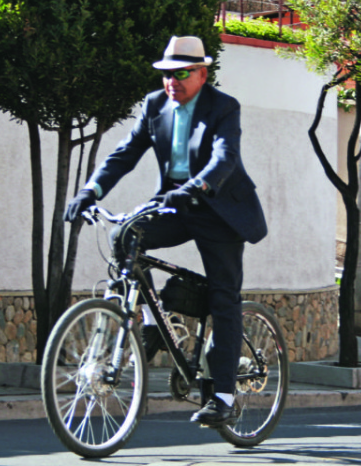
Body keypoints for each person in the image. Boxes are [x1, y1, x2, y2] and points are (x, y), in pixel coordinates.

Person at [64, 35, 268, 427]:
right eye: (166, 74)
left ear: (202, 74)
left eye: (182, 73)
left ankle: (223, 396)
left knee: (224, 297)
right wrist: (91, 190)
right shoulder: (155, 105)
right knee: (123, 235)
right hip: (175, 204)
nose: (172, 81)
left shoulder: (224, 107)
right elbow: (124, 152)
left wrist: (199, 185)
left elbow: (225, 157)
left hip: (218, 208)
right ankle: (151, 325)